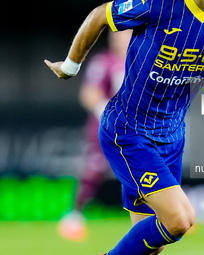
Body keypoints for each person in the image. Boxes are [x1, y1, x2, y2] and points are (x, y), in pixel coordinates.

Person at [45, 0, 204, 254]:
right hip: (128, 132)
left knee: (152, 247)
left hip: (172, 136)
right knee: (179, 220)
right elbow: (100, 14)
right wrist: (69, 66)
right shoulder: (159, 4)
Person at [57, 30, 132, 241]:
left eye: (125, 34)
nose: (118, 38)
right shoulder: (103, 62)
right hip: (105, 128)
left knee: (152, 165)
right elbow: (89, 93)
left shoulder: (141, 62)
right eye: (116, 35)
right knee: (95, 169)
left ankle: (169, 214)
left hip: (134, 129)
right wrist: (106, 113)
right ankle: (73, 216)